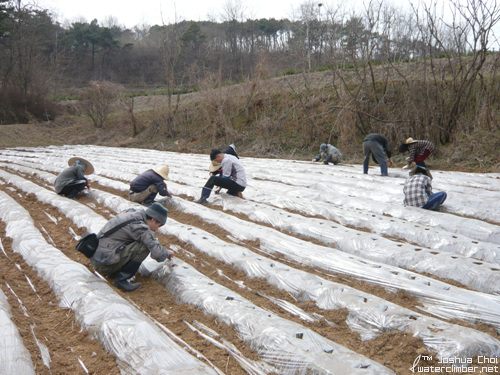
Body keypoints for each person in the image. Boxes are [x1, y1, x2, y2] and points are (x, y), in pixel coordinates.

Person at [90, 203, 174, 291]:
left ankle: (115, 271)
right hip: (103, 265)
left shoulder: (133, 213)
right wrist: (167, 252)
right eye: (158, 225)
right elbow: (158, 254)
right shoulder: (142, 228)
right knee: (143, 246)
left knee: (138, 241)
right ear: (153, 220)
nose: (157, 229)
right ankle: (121, 280)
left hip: (97, 257)